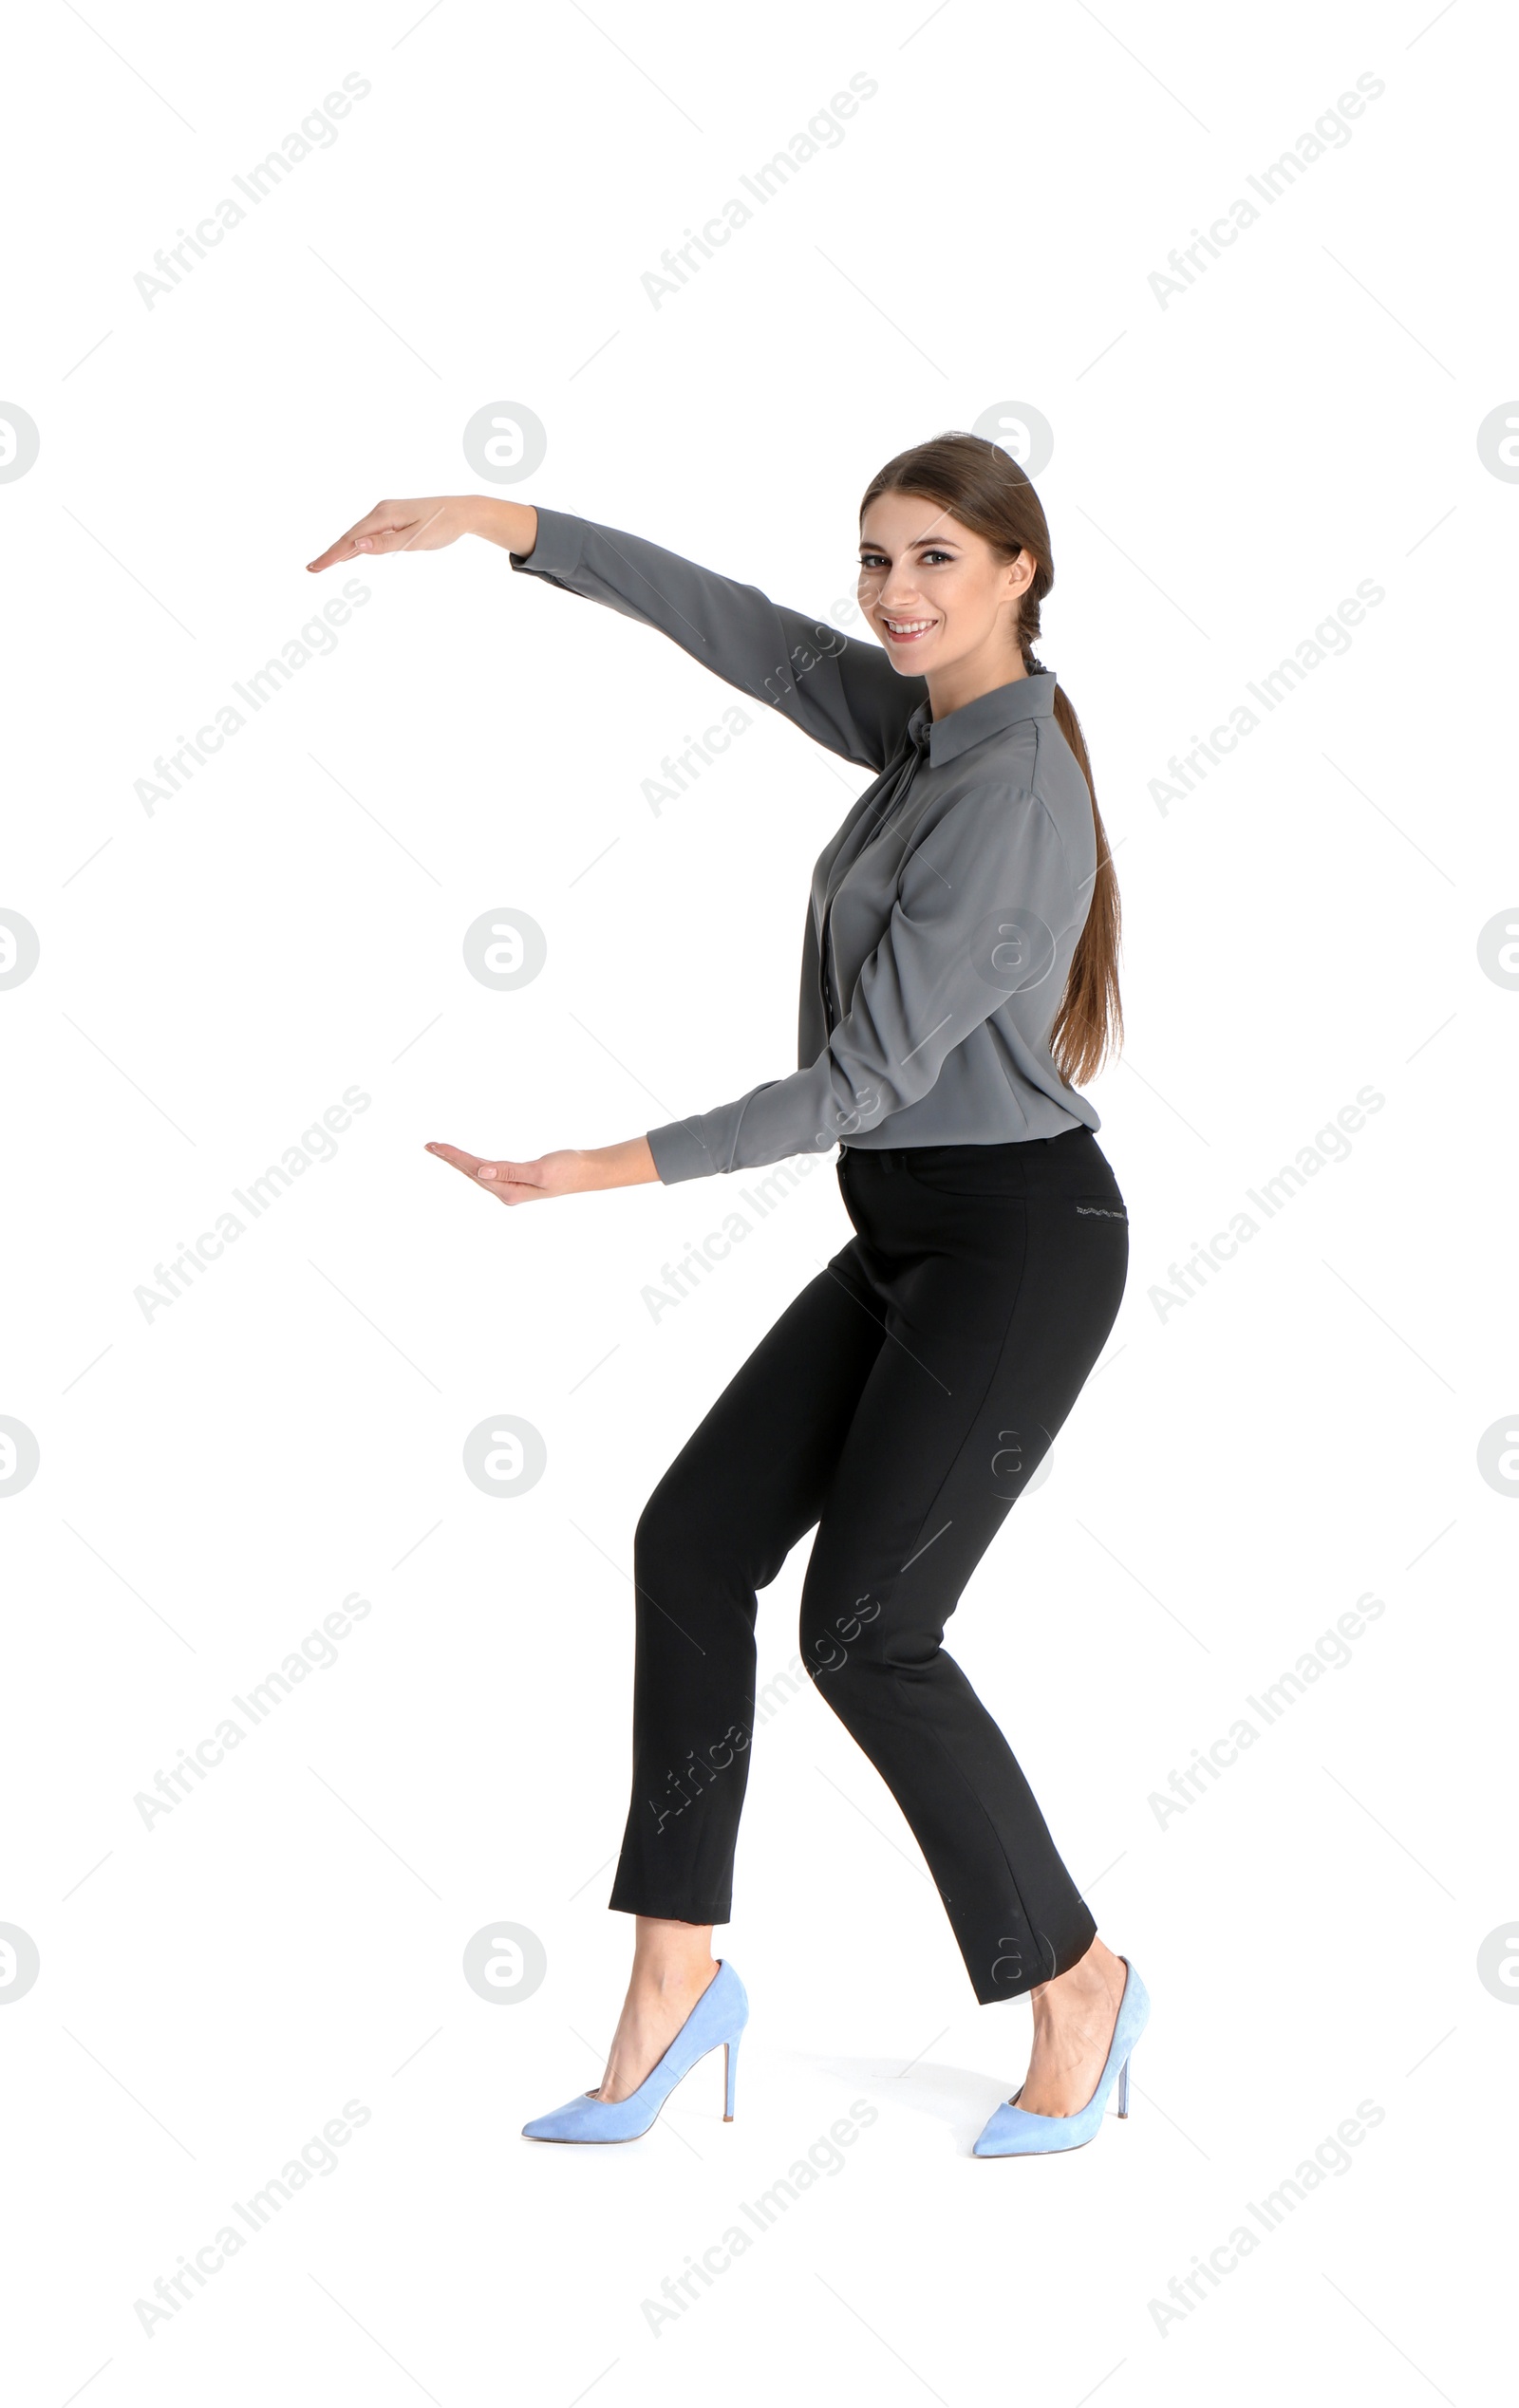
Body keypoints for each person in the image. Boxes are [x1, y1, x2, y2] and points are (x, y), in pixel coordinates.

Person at [307, 433, 1150, 2157]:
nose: (894, 596)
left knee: (867, 1630)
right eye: (877, 559)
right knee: (692, 1541)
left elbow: (853, 1083)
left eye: (934, 562)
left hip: (1019, 1238)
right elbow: (748, 634)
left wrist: (587, 1169)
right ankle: (677, 1973)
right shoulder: (927, 724)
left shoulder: (1008, 790)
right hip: (919, 1226)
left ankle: (1078, 1978)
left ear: (1022, 573)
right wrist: (513, 526)